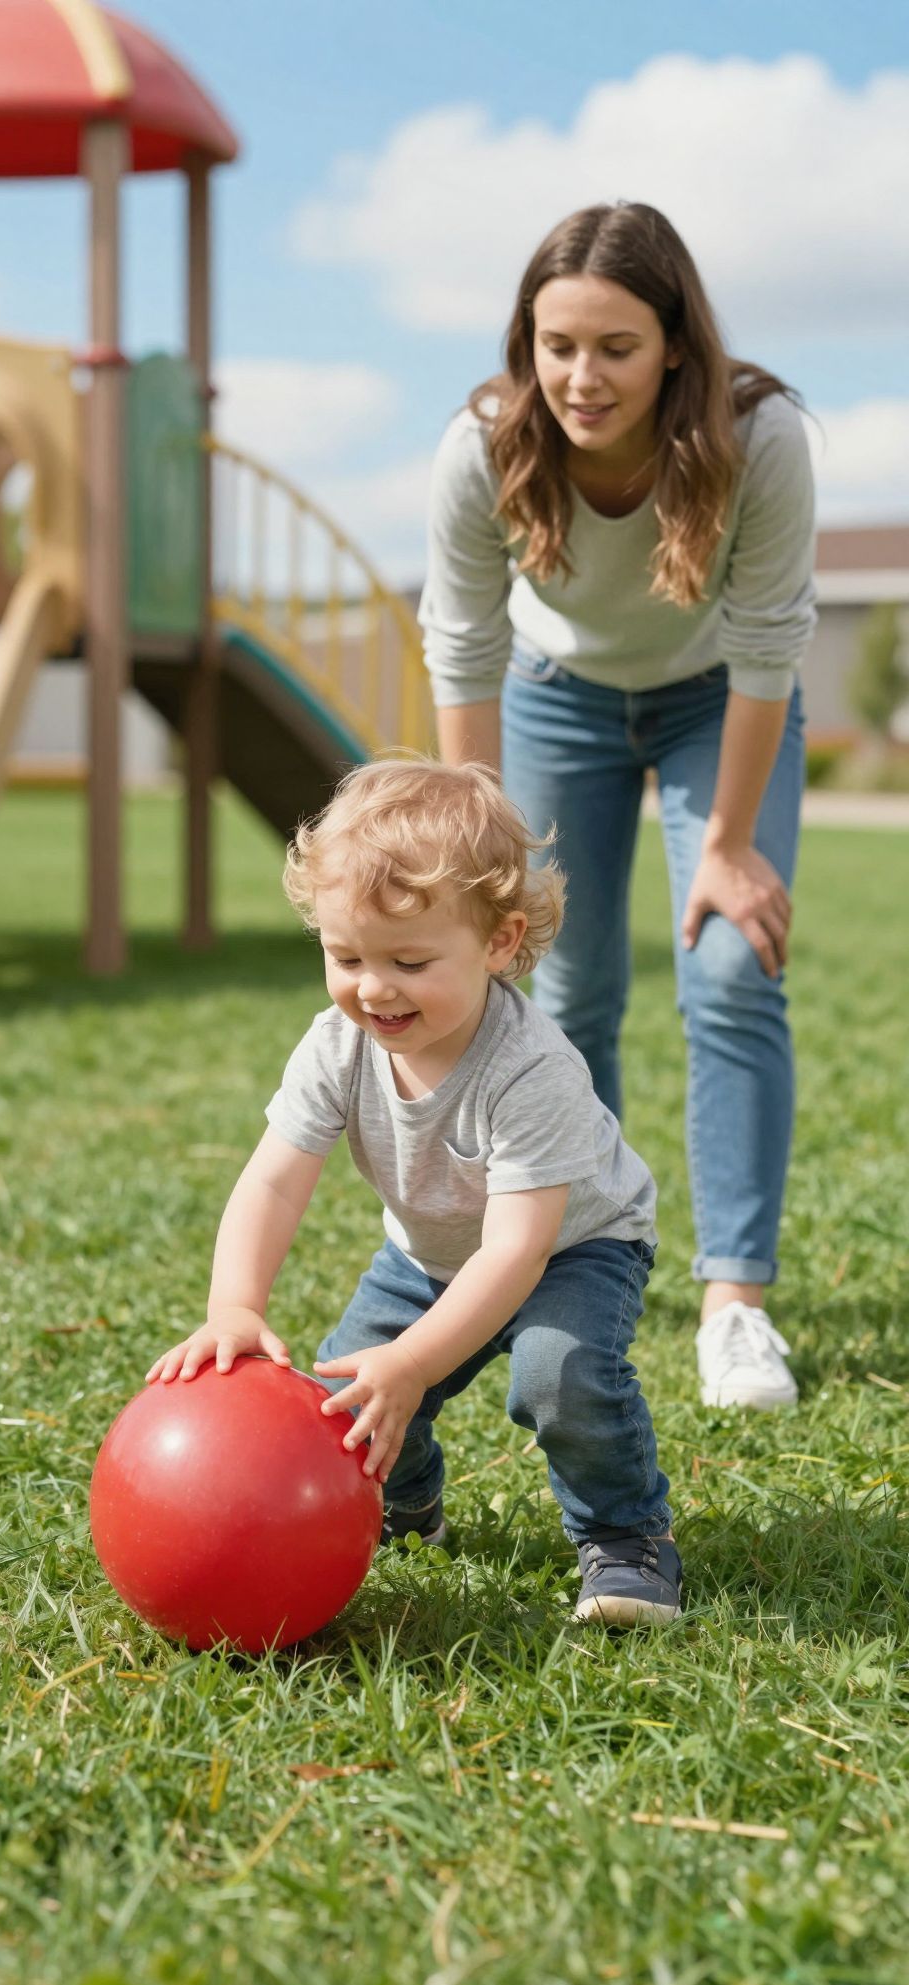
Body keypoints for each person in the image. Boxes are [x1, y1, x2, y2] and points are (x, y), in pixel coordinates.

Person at [419, 201, 816, 1413]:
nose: (582, 378)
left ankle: (735, 1304)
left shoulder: (761, 437)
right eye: (557, 346)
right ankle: (569, 1260)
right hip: (553, 698)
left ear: (676, 346)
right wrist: (478, 847)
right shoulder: (483, 448)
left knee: (734, 971)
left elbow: (767, 645)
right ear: (526, 345)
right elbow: (464, 648)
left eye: (616, 348)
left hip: (720, 701)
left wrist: (733, 846)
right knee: (564, 987)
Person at [149, 758, 680, 1628]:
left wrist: (416, 1361)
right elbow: (275, 1180)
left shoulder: (532, 1070)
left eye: (409, 960)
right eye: (345, 954)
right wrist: (234, 1306)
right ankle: (407, 1502)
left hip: (572, 1248)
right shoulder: (337, 1047)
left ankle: (626, 1538)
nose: (373, 987)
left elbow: (516, 1249)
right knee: (349, 1393)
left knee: (559, 1374)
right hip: (427, 1251)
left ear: (501, 943)